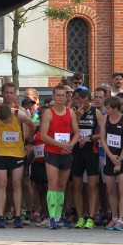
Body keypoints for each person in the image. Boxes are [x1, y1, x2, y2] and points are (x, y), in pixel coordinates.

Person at [39, 84, 78, 229]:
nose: (61, 98)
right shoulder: (48, 113)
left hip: (66, 152)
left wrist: (70, 145)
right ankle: (52, 217)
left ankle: (58, 216)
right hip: (52, 152)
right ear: (53, 97)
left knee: (62, 185)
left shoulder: (70, 112)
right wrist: (61, 145)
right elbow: (43, 135)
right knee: (53, 183)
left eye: (63, 95)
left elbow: (77, 132)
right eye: (58, 95)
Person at [99, 96, 123, 230]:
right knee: (111, 190)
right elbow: (103, 139)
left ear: (115, 109)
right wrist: (110, 156)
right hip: (109, 157)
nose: (105, 110)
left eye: (108, 108)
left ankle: (121, 219)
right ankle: (114, 217)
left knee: (122, 189)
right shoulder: (104, 119)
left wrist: (119, 159)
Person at [71, 87, 101, 229]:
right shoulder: (73, 111)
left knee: (92, 185)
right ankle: (80, 217)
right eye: (80, 102)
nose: (82, 105)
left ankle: (91, 217)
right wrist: (77, 117)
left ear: (90, 101)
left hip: (91, 151)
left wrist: (89, 138)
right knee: (77, 185)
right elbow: (68, 131)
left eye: (85, 103)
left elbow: (103, 133)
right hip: (77, 151)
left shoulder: (96, 112)